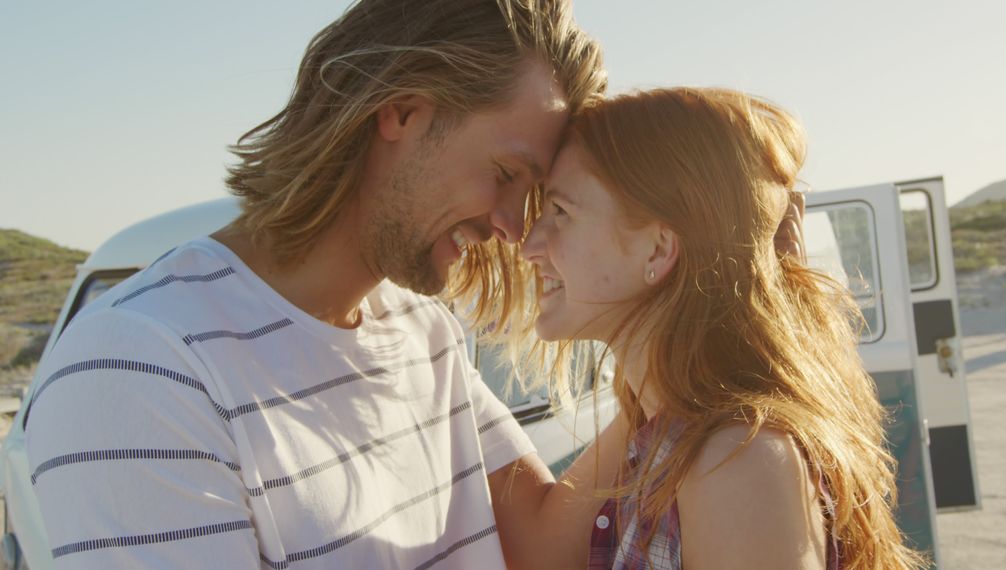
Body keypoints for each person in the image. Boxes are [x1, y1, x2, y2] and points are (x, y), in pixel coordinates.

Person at [24, 1, 611, 567]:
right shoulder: (137, 364)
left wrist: (669, 361)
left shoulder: (423, 331)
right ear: (400, 110)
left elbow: (542, 548)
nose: (511, 227)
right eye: (505, 174)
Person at [519, 87, 927, 569]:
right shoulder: (673, 424)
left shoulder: (736, 461)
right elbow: (540, 551)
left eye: (561, 213)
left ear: (657, 250)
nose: (530, 246)